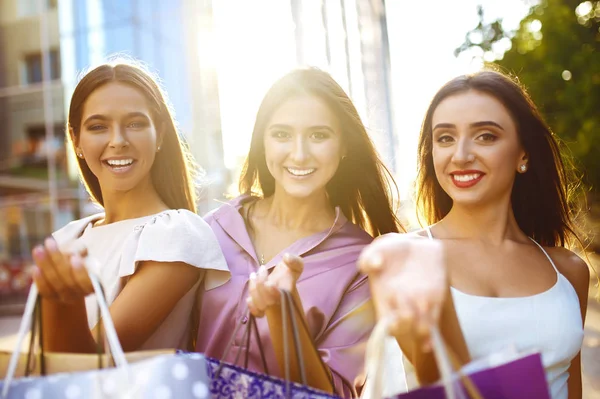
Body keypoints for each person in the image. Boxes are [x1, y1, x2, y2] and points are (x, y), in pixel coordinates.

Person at [359, 70, 590, 399]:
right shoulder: (406, 256)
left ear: (523, 153)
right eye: (445, 138)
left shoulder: (568, 271)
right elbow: (437, 386)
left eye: (485, 136)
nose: (461, 155)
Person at [196, 67, 402, 396]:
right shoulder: (214, 227)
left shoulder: (363, 266)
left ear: (344, 145)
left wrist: (284, 315)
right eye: (281, 135)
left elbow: (335, 393)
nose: (300, 153)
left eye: (319, 135)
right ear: (262, 142)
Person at [30, 61, 229, 352]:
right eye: (98, 126)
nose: (118, 141)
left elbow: (93, 363)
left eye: (135, 124)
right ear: (76, 141)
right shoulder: (68, 237)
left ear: (159, 134)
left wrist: (63, 302)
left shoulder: (178, 233)